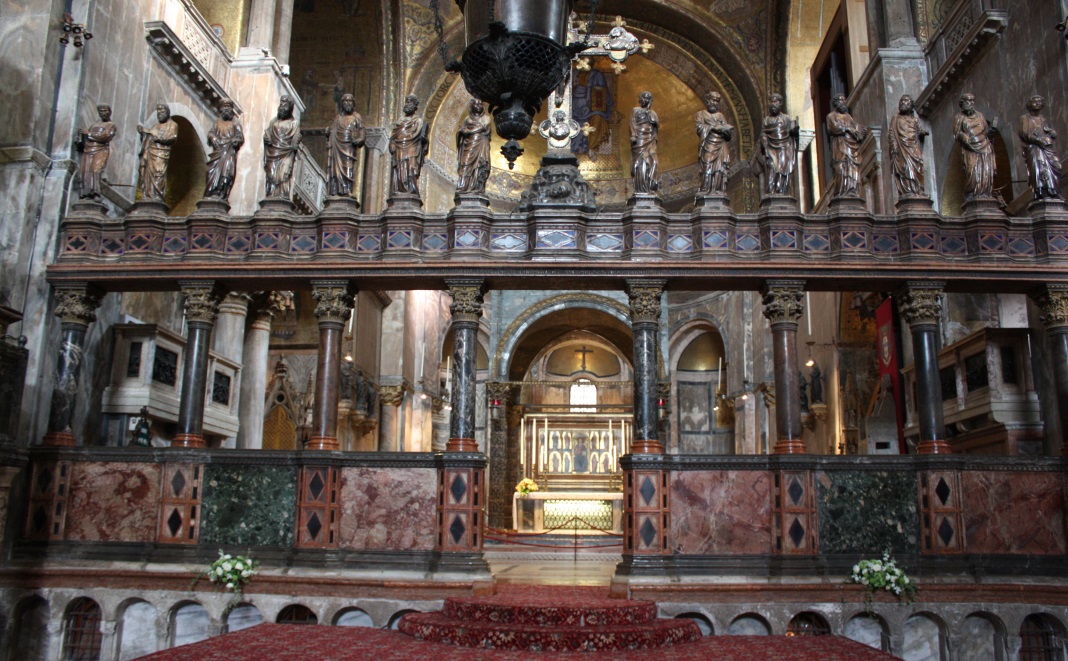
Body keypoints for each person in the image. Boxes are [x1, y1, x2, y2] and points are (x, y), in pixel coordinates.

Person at [953, 93, 997, 200]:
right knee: (972, 171)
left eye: (972, 101)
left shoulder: (980, 115)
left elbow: (986, 132)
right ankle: (972, 193)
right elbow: (956, 133)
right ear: (962, 104)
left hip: (985, 146)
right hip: (970, 148)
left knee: (986, 170)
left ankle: (985, 193)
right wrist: (963, 137)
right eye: (968, 101)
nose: (971, 103)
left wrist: (992, 132)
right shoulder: (959, 118)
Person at [1019, 95, 1062, 201]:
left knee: (1056, 166)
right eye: (1035, 101)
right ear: (1030, 104)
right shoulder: (1025, 118)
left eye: (1039, 101)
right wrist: (1038, 140)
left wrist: (1052, 133)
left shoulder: (1043, 119)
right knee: (1038, 169)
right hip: (1034, 148)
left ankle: (1053, 190)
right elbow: (1024, 133)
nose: (1037, 103)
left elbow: (1047, 130)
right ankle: (1042, 191)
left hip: (1046, 148)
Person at [825, 93, 868, 197]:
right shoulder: (831, 116)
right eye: (840, 100)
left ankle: (852, 189)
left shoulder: (848, 116)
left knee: (852, 167)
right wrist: (848, 129)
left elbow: (855, 129)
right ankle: (841, 192)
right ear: (835, 103)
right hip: (840, 146)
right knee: (840, 168)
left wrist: (860, 132)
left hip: (851, 147)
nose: (843, 102)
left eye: (844, 100)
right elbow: (832, 128)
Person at [326, 93, 366, 197]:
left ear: (354, 103)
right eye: (345, 101)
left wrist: (360, 139)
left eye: (350, 101)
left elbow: (362, 133)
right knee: (335, 169)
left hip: (348, 146)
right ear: (342, 103)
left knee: (348, 166)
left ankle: (347, 190)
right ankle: (335, 190)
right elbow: (333, 130)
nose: (348, 103)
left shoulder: (356, 117)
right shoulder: (338, 117)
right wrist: (328, 132)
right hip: (337, 146)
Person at [888, 95, 928, 197]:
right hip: (902, 148)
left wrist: (922, 132)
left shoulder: (915, 119)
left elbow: (919, 130)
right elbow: (892, 133)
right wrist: (894, 147)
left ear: (911, 105)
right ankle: (909, 191)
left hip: (913, 147)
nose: (902, 103)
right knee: (905, 168)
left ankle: (918, 190)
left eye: (906, 101)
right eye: (901, 101)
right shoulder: (896, 118)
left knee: (918, 166)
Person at [137, 103, 178, 202]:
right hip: (150, 152)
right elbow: (149, 137)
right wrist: (144, 133)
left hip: (160, 153)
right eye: (158, 111)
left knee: (158, 174)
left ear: (167, 112)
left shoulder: (172, 125)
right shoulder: (156, 125)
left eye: (162, 111)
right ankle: (147, 194)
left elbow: (173, 137)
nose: (160, 113)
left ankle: (157, 196)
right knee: (146, 173)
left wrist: (159, 138)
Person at [204, 100, 244, 200]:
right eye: (224, 106)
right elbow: (211, 133)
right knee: (211, 172)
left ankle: (221, 194)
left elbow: (240, 137)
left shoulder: (235, 122)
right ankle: (212, 193)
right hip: (218, 151)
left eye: (228, 106)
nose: (226, 108)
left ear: (232, 109)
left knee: (227, 173)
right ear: (221, 109)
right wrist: (213, 137)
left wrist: (235, 140)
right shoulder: (217, 122)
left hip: (228, 152)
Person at [389, 94, 428, 196]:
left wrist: (424, 141)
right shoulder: (400, 122)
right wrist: (392, 144)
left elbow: (422, 138)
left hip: (412, 148)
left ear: (415, 106)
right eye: (407, 102)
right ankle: (400, 189)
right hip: (399, 149)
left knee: (411, 168)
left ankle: (411, 189)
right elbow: (393, 136)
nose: (407, 104)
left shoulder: (418, 122)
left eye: (410, 102)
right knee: (399, 170)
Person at [695, 91, 733, 194]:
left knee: (720, 169)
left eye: (717, 101)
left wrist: (725, 130)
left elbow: (728, 135)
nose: (715, 103)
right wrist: (714, 128)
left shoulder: (720, 116)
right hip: (708, 145)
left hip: (721, 146)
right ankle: (705, 189)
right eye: (713, 100)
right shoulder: (701, 114)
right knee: (707, 165)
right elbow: (699, 128)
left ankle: (718, 189)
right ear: (708, 101)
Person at [263, 95, 301, 199]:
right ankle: (271, 195)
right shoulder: (274, 121)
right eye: (281, 104)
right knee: (271, 175)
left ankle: (282, 196)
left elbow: (297, 136)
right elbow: (267, 132)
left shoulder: (294, 123)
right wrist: (267, 137)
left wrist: (295, 142)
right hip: (273, 151)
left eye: (285, 105)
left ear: (290, 107)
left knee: (284, 175)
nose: (282, 107)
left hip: (286, 153)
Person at [758, 93, 796, 195]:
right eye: (771, 102)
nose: (773, 104)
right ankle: (772, 190)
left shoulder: (786, 118)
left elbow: (791, 131)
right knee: (772, 168)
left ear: (780, 103)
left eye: (775, 102)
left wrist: (794, 130)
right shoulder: (766, 120)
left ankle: (783, 191)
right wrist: (764, 140)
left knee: (784, 168)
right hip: (771, 147)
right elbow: (763, 133)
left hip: (784, 148)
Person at [78, 104, 117, 200]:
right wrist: (82, 136)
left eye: (105, 111)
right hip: (89, 149)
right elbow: (87, 138)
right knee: (86, 171)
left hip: (101, 150)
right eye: (101, 111)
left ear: (109, 112)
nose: (103, 113)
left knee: (96, 170)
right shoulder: (94, 125)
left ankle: (96, 193)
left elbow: (106, 136)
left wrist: (89, 134)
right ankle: (86, 193)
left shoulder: (111, 125)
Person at [455, 99, 491, 194]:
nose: (478, 106)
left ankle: (477, 187)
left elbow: (483, 127)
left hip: (481, 145)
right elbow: (461, 129)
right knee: (465, 163)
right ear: (471, 106)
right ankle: (463, 186)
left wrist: (469, 131)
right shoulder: (467, 119)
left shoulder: (486, 118)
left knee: (480, 165)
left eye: (480, 104)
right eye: (476, 104)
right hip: (468, 144)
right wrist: (463, 131)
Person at [630, 91, 660, 194]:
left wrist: (649, 113)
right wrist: (633, 135)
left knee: (654, 162)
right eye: (643, 97)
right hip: (639, 140)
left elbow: (656, 124)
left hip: (650, 139)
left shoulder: (653, 113)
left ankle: (650, 187)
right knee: (640, 163)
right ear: (640, 100)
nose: (645, 100)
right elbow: (632, 123)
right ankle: (640, 189)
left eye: (648, 98)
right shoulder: (636, 110)